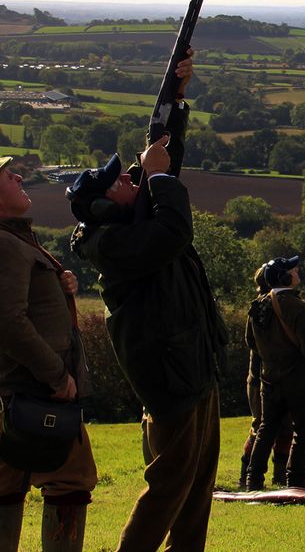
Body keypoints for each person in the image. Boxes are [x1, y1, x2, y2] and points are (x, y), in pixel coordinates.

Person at [68, 51, 229, 551]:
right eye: (120, 182)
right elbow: (173, 231)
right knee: (170, 484)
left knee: (199, 482)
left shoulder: (129, 217)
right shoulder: (111, 244)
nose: (130, 179)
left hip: (193, 365)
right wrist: (157, 177)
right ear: (100, 207)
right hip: (170, 374)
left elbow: (164, 159)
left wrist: (175, 100)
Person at [0, 156, 95, 551]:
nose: (18, 177)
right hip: (28, 381)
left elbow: (14, 301)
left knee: (6, 475)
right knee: (71, 479)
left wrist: (57, 284)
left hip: (5, 378)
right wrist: (55, 375)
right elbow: (7, 323)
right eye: (6, 177)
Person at [242, 256, 305, 491]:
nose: (297, 273)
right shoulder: (298, 307)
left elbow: (251, 342)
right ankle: (295, 480)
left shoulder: (257, 304)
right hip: (298, 378)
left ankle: (253, 480)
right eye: (294, 271)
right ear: (285, 277)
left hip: (269, 378)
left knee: (266, 429)